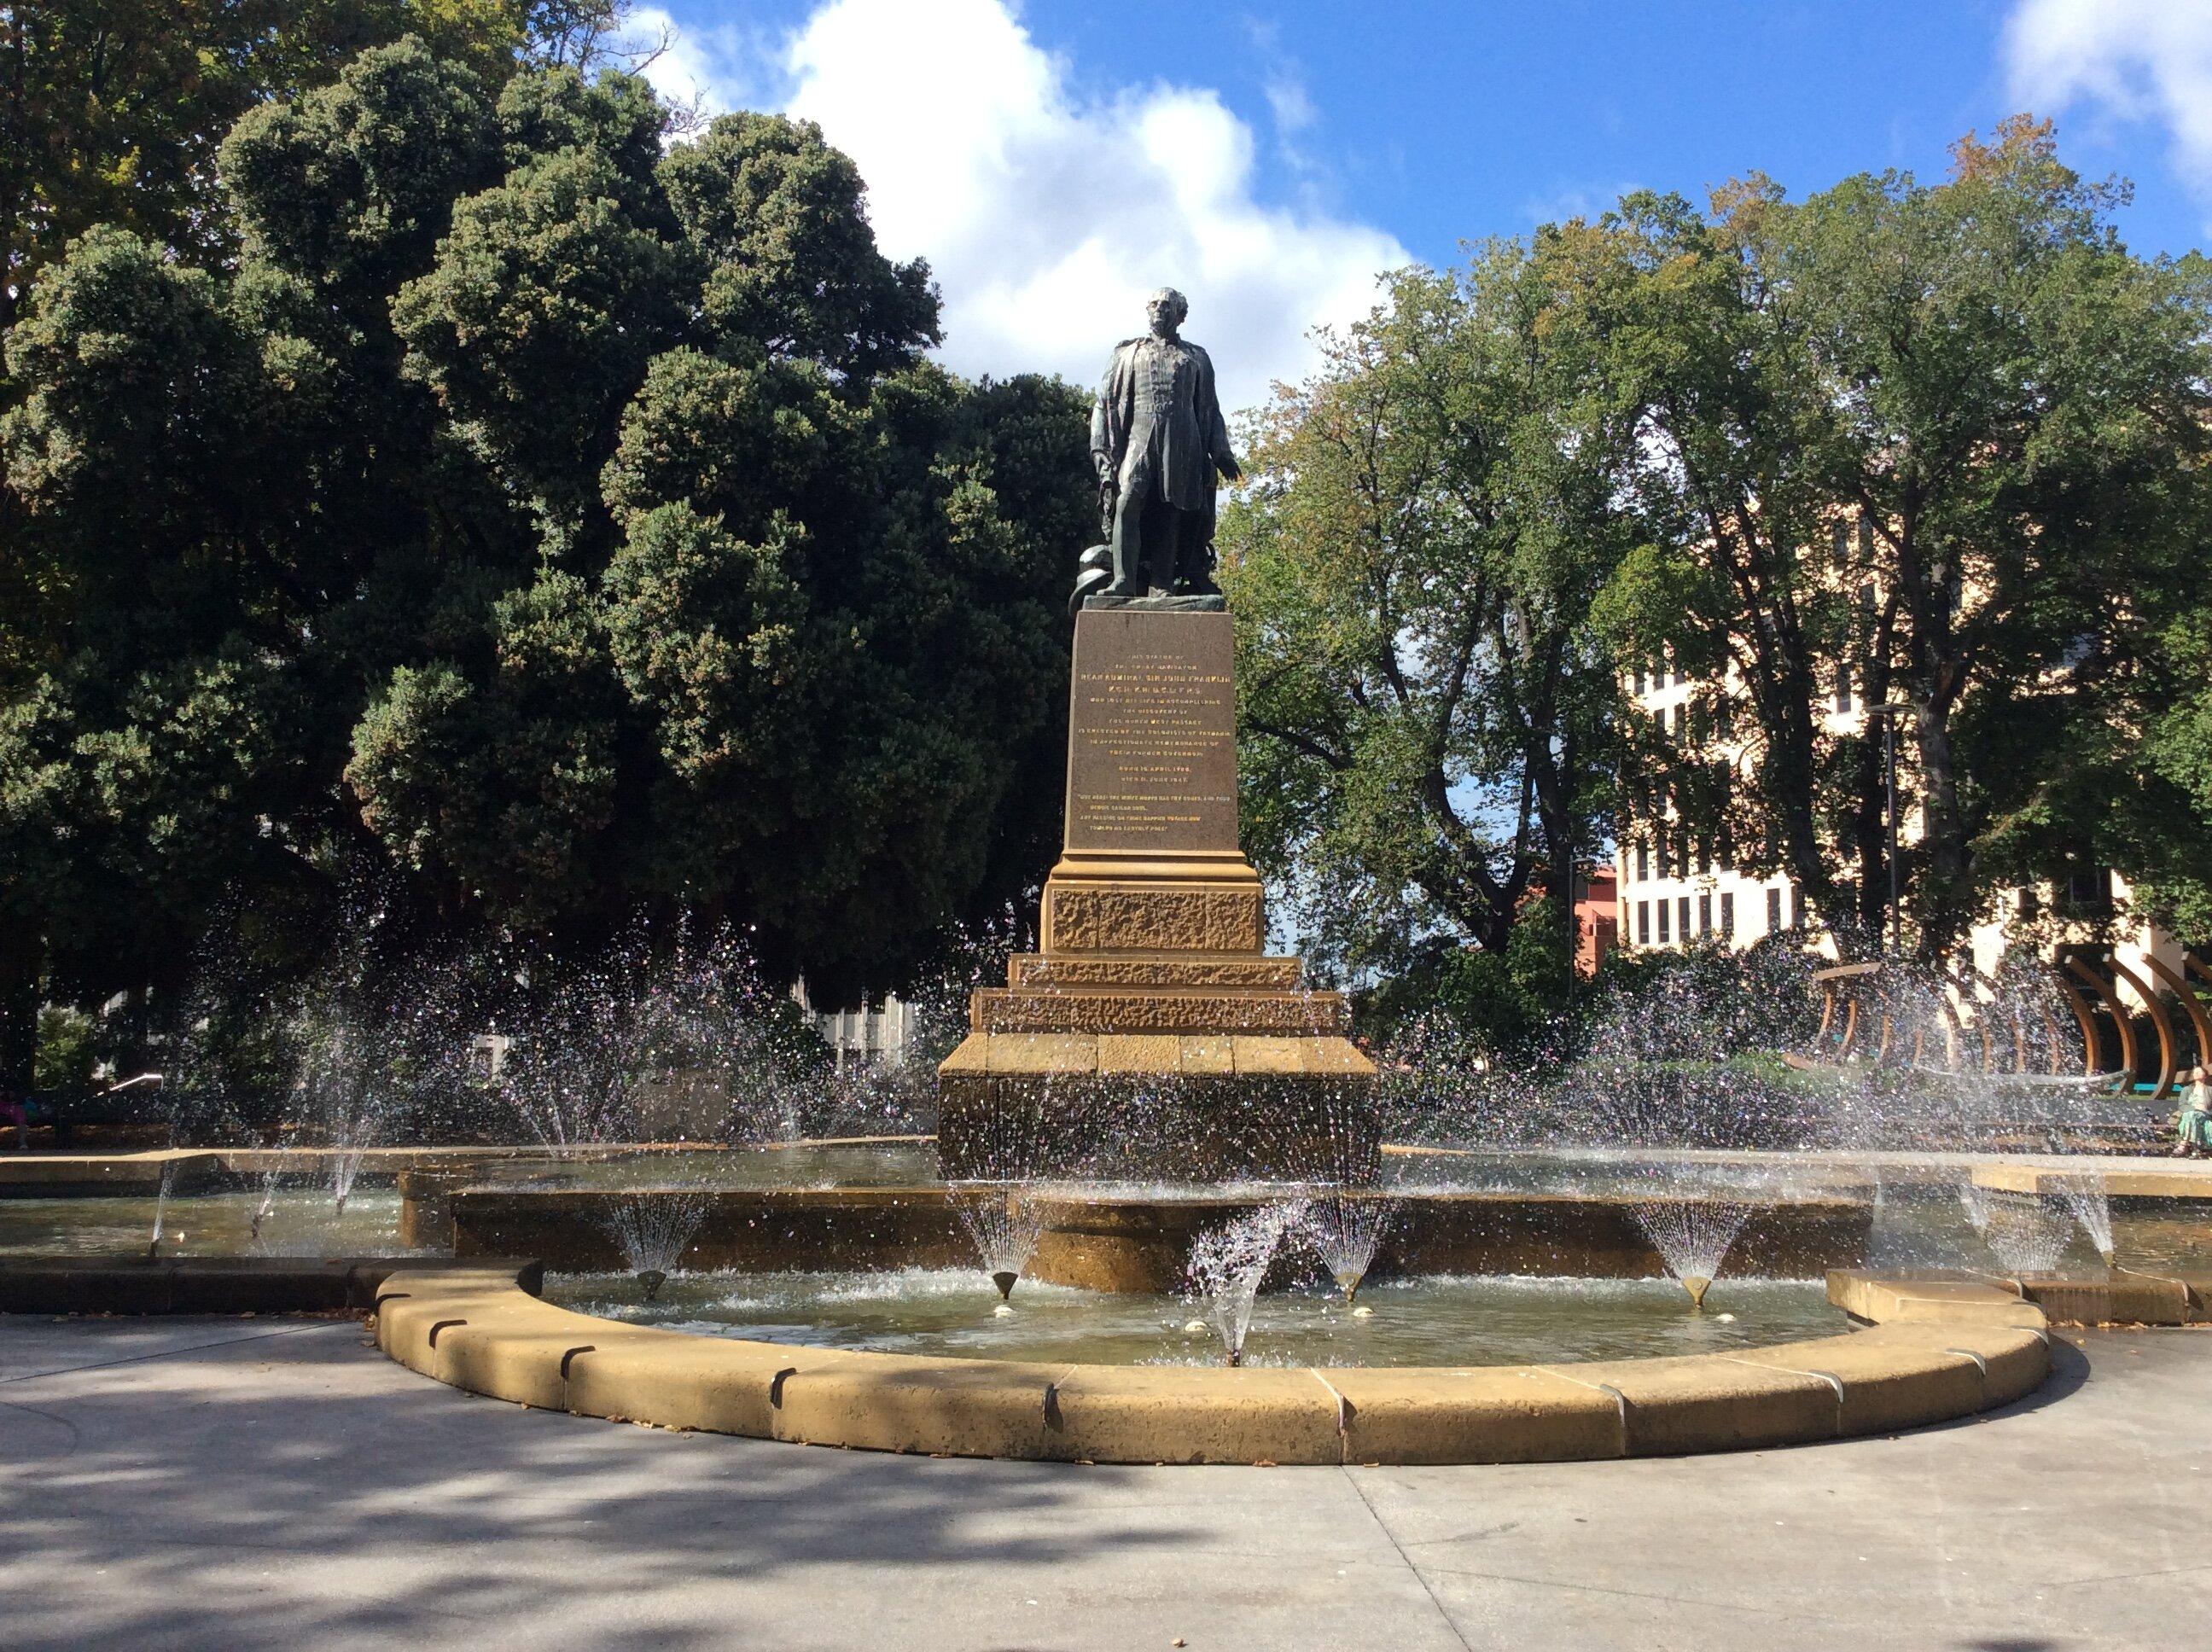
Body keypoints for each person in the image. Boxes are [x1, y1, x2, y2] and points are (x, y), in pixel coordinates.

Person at [1087, 287, 1241, 600]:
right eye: (1155, 304)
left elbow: (1210, 406)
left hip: (1184, 436)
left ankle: (1162, 582)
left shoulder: (1196, 356)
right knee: (1127, 501)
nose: (1160, 309)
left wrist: (1221, 451)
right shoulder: (1127, 352)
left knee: (1172, 509)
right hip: (1139, 435)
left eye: (1168, 305)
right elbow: (1104, 404)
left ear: (1181, 315)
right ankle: (1123, 580)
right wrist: (1102, 455)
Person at [2174, 1063, 2212, 1158]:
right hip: (2190, 1115)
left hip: (2205, 1114)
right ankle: (2196, 1148)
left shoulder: (2210, 1090)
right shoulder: (2186, 1090)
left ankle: (2183, 1145)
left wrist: (2204, 1109)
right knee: (2191, 1115)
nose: (2196, 1073)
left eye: (2199, 1072)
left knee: (2190, 1116)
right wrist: (2195, 1108)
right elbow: (2182, 1106)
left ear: (2205, 1075)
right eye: (2195, 1072)